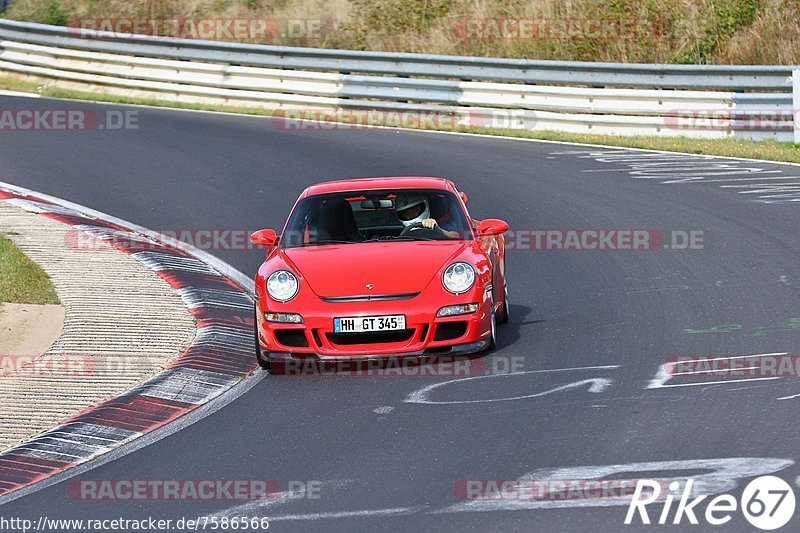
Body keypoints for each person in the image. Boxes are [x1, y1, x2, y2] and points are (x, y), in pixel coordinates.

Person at [395, 195, 460, 238]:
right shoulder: (391, 238)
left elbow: (457, 237)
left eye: (414, 210)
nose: (410, 215)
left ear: (424, 206)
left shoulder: (443, 224)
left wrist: (437, 229)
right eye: (405, 212)